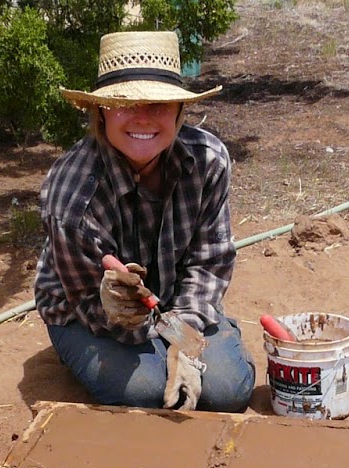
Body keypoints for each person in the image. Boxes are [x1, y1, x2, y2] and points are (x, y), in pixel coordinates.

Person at [35, 31, 255, 411]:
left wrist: (184, 338)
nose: (142, 117)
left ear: (179, 111)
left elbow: (209, 264)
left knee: (225, 392)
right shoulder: (72, 196)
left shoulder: (208, 161)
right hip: (87, 316)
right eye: (125, 105)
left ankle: (190, 342)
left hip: (176, 301)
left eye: (158, 104)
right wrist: (117, 307)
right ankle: (79, 352)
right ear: (100, 112)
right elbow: (89, 307)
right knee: (149, 395)